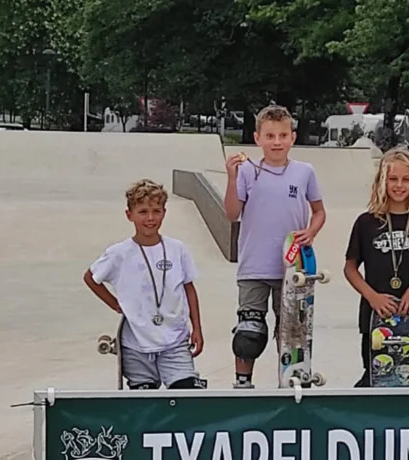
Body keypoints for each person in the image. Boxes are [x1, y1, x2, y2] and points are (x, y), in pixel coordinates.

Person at [223, 104, 326, 389]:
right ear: (257, 138)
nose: (277, 142)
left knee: (292, 333)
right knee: (249, 332)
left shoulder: (304, 172)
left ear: (293, 137)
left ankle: (291, 384)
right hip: (254, 265)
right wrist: (231, 178)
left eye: (282, 135)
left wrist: (311, 231)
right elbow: (231, 213)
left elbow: (319, 211)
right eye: (270, 136)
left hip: (293, 267)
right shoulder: (247, 171)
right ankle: (243, 385)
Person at [83, 179, 206, 390]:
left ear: (164, 213)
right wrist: (115, 304)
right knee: (144, 399)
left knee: (186, 393)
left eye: (156, 211)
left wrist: (197, 328)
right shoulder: (119, 253)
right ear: (129, 215)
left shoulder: (177, 249)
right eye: (143, 212)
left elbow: (188, 288)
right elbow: (91, 278)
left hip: (174, 339)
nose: (150, 218)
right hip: (136, 343)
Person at [343, 147, 409, 387]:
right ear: (382, 181)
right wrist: (372, 297)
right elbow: (350, 268)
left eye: (406, 179)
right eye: (393, 179)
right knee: (377, 375)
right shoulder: (366, 223)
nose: (399, 185)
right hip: (376, 315)